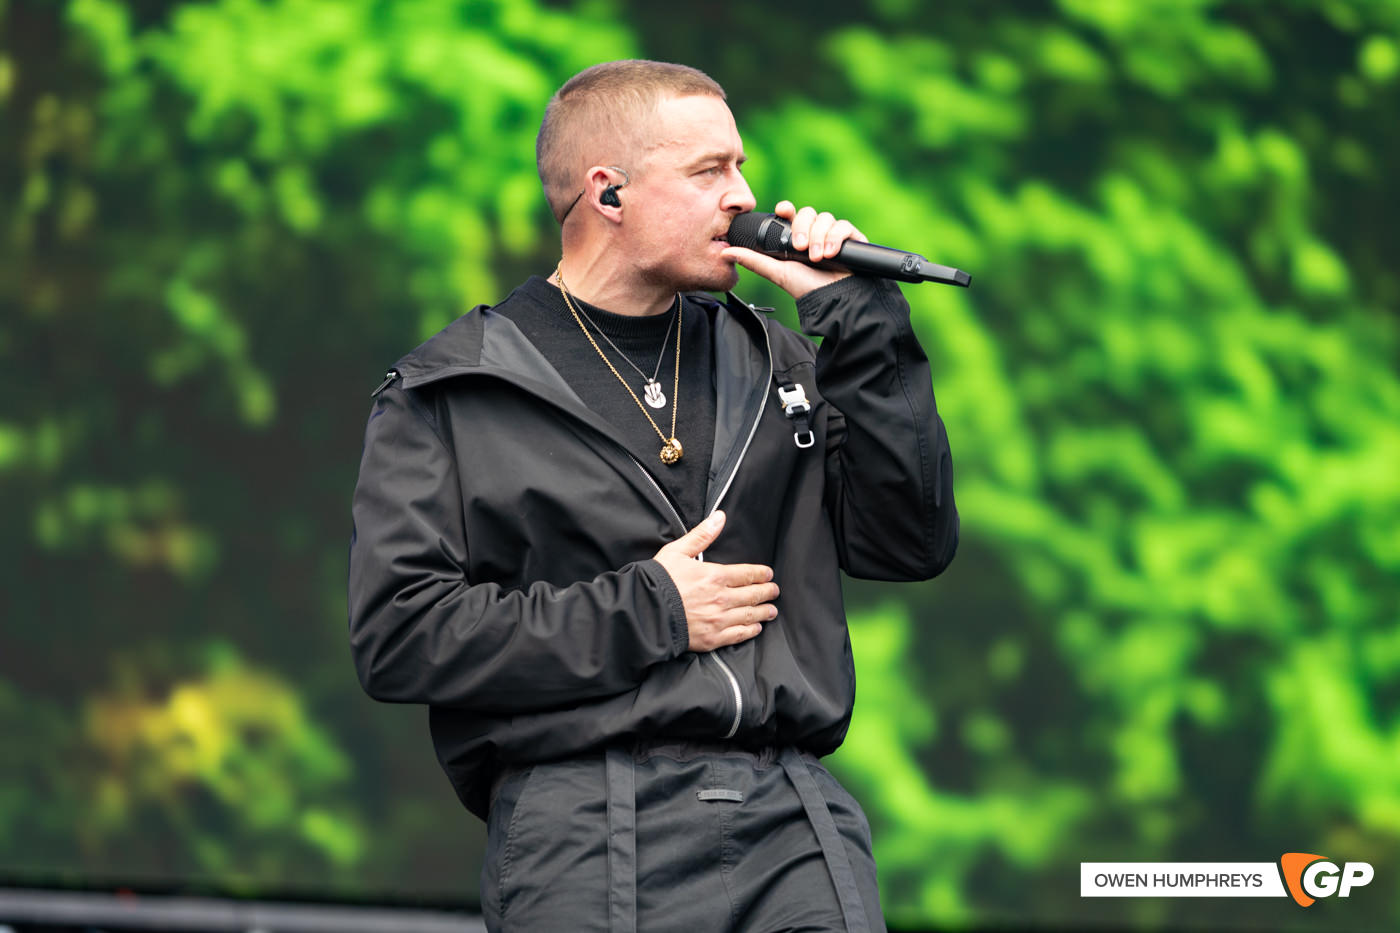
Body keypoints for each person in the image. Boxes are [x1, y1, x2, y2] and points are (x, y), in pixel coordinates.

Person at [348, 59, 958, 933]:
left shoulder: (777, 359)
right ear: (608, 195)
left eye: (741, 167)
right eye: (711, 171)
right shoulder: (453, 391)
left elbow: (910, 544)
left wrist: (862, 321)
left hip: (791, 818)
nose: (742, 197)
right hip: (583, 822)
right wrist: (650, 610)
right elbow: (400, 636)